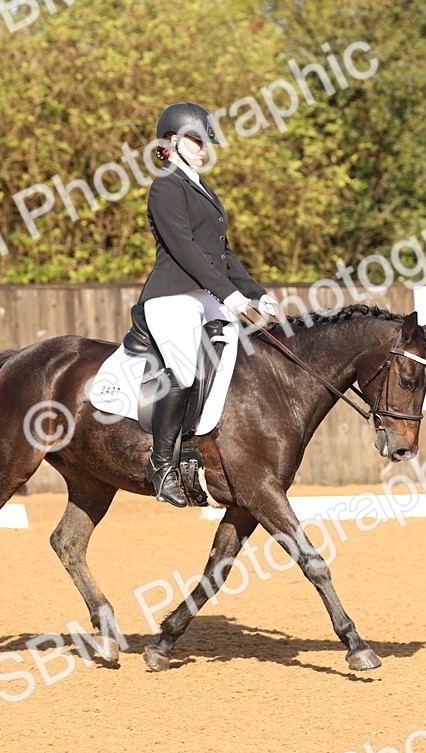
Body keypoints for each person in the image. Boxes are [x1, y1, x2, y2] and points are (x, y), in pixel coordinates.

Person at [137, 101, 279, 507]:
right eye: (197, 140)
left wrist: (254, 291)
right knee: (184, 371)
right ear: (171, 142)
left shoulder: (201, 187)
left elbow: (222, 254)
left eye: (204, 141)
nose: (204, 148)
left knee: (252, 354)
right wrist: (227, 293)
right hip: (173, 297)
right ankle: (162, 465)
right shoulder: (166, 186)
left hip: (206, 295)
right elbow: (186, 250)